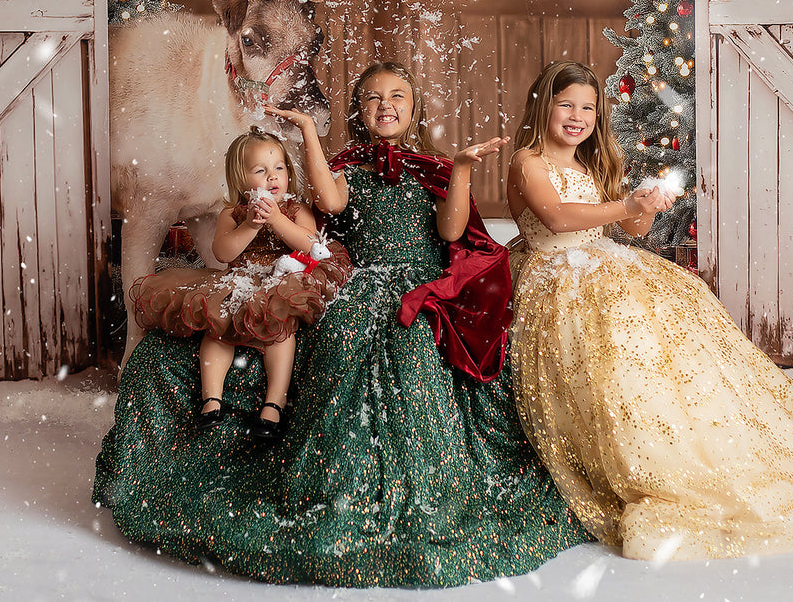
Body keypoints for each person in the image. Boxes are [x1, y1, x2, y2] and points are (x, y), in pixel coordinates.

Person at [94, 61, 589, 587]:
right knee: (344, 336)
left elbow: (451, 228)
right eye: (373, 97)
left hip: (419, 281)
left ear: (413, 105)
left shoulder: (434, 166)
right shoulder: (347, 167)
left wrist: (463, 168)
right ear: (359, 109)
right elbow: (328, 203)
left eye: (398, 96)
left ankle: (408, 483)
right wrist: (308, 130)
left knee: (409, 348)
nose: (386, 106)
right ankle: (318, 471)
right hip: (361, 278)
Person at [505, 60, 793, 561]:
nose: (577, 116)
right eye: (566, 104)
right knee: (608, 339)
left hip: (602, 261)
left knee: (671, 324)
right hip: (555, 271)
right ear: (545, 104)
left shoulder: (592, 165)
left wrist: (646, 206)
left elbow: (630, 233)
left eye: (588, 107)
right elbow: (558, 216)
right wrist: (627, 206)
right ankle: (637, 451)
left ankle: (699, 434)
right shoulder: (529, 161)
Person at [128, 128, 351, 440]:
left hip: (282, 281)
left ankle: (275, 403)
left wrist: (276, 220)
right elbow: (222, 252)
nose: (273, 177)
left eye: (279, 168)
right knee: (217, 330)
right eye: (261, 170)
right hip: (239, 280)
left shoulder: (295, 208)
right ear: (241, 179)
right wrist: (249, 225)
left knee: (279, 333)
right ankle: (211, 399)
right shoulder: (231, 214)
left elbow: (309, 242)